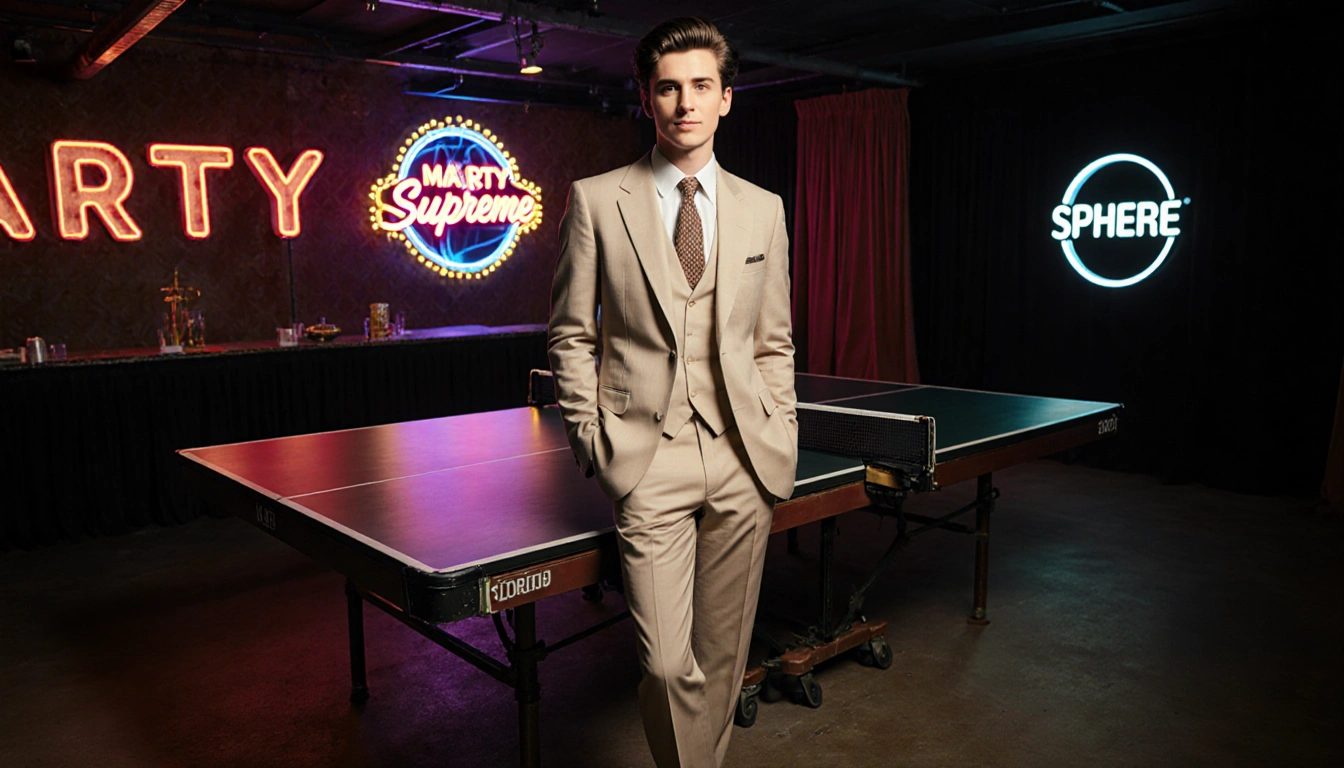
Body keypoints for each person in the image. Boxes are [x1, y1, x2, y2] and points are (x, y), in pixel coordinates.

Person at [547, 16, 798, 768]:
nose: (685, 103)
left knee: (724, 660)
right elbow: (570, 334)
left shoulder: (763, 208)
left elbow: (774, 341)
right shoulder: (597, 200)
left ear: (726, 98)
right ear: (646, 98)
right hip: (645, 460)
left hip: (743, 458)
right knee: (664, 665)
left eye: (700, 86)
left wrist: (779, 430)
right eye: (668, 88)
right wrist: (592, 438)